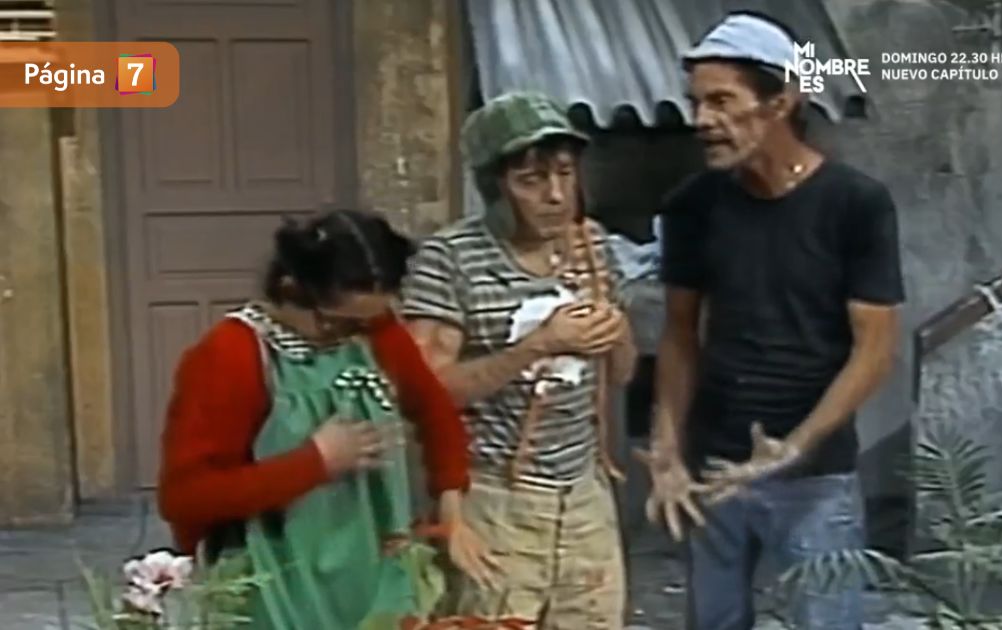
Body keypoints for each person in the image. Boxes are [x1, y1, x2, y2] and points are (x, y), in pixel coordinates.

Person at [638, 12, 905, 630]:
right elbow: (680, 336)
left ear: (781, 100)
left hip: (815, 478)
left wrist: (795, 447)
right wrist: (668, 451)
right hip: (714, 471)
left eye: (721, 101)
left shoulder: (855, 205)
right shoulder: (692, 207)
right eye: (696, 103)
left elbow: (874, 350)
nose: (702, 120)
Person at [157, 209, 491, 629]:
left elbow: (433, 409)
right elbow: (185, 497)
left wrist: (450, 505)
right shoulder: (231, 354)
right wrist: (316, 462)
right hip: (275, 589)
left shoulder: (373, 330)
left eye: (368, 321)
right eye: (337, 323)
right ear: (290, 288)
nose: (354, 335)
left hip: (373, 572)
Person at [402, 91, 637, 629]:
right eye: (531, 181)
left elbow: (620, 374)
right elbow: (425, 393)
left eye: (565, 174)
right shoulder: (450, 258)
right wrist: (537, 345)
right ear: (495, 188)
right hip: (494, 499)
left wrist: (614, 330)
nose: (556, 195)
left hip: (584, 498)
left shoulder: (592, 246)